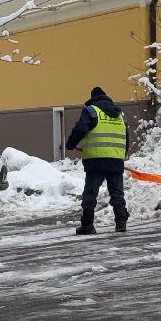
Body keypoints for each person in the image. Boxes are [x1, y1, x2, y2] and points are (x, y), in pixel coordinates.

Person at [65, 86, 129, 235]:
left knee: (90, 193)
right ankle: (121, 223)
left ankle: (88, 225)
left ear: (93, 98)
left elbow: (81, 129)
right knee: (117, 193)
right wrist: (121, 155)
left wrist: (70, 144)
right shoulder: (120, 115)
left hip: (96, 161)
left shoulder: (91, 111)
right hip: (115, 160)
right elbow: (126, 137)